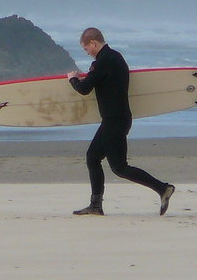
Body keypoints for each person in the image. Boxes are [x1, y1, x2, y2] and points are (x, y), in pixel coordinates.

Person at [67, 27, 175, 216]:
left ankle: (162, 188)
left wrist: (73, 79)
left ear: (93, 43)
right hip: (117, 119)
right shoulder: (116, 58)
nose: (87, 53)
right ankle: (95, 205)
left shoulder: (102, 61)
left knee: (120, 167)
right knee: (92, 157)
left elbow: (84, 88)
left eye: (86, 49)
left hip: (114, 121)